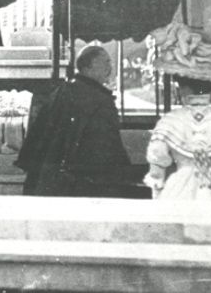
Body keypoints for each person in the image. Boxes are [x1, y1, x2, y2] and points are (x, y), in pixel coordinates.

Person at [143, 23, 211, 200]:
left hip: (177, 193)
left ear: (181, 85)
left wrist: (158, 195)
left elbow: (157, 169)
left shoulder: (170, 121)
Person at [17, 45, 131, 197]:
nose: (110, 68)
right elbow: (108, 147)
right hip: (85, 186)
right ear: (88, 66)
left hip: (49, 182)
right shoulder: (100, 100)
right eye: (106, 62)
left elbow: (36, 137)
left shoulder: (61, 92)